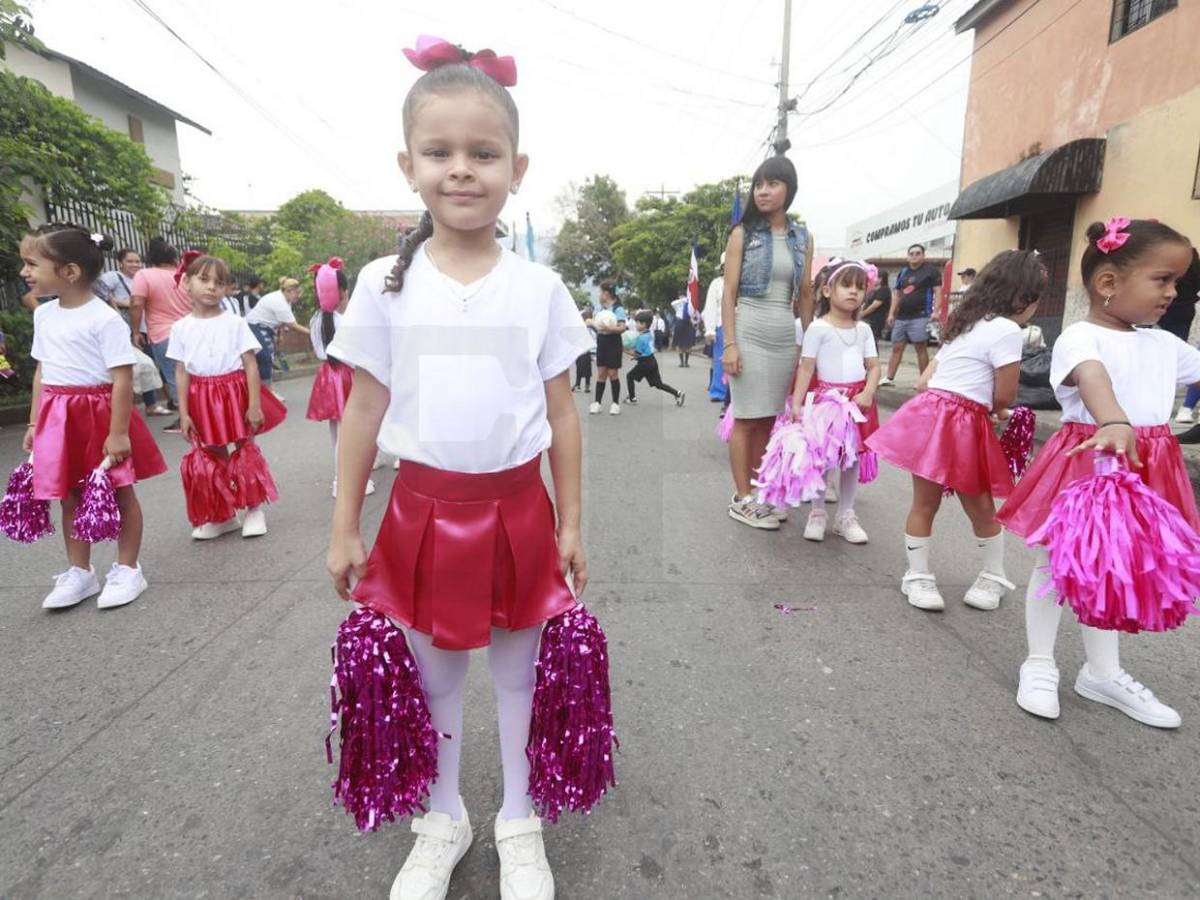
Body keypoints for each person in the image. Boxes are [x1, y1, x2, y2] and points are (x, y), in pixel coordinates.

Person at [324, 41, 592, 900]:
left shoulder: (541, 287)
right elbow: (363, 410)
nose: (462, 170)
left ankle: (520, 817)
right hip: (421, 510)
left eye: (484, 154)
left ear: (518, 167)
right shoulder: (381, 283)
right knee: (434, 675)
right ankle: (442, 814)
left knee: (519, 672)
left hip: (518, 511)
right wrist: (343, 527)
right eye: (439, 153)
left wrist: (571, 522)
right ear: (408, 166)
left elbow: (560, 415)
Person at [998, 219, 1197, 728]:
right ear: (1108, 283)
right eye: (1163, 279)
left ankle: (1102, 673)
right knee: (1059, 565)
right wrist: (1113, 420)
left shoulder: (1164, 345)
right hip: (1092, 457)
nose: (1173, 292)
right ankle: (1039, 662)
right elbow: (1093, 376)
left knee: (1113, 569)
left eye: (1178, 281)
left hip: (1146, 467)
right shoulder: (1079, 337)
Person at [867, 250, 1046, 612]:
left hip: (932, 415)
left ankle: (917, 576)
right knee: (980, 506)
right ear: (1023, 297)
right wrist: (998, 411)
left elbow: (922, 382)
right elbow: (1006, 394)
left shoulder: (964, 322)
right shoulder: (1009, 329)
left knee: (924, 503)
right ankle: (992, 575)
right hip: (965, 424)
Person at [18, 224, 167, 610]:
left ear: (69, 272)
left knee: (119, 490)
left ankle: (127, 567)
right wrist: (35, 423)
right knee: (69, 494)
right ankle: (80, 571)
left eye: (32, 264)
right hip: (57, 414)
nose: (24, 272)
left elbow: (121, 377)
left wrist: (118, 433)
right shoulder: (44, 315)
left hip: (99, 414)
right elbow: (41, 371)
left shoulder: (103, 318)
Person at [720, 155, 815, 530]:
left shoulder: (802, 237)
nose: (763, 190)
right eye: (759, 184)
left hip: (783, 335)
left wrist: (810, 345)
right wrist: (730, 344)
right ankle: (742, 498)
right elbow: (728, 294)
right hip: (749, 328)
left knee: (767, 419)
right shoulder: (743, 233)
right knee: (745, 418)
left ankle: (761, 492)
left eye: (772, 183)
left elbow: (805, 293)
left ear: (788, 190)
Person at [168, 253, 287, 540]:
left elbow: (250, 363)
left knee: (244, 448)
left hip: (235, 392)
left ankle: (254, 509)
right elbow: (181, 372)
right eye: (204, 279)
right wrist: (184, 414)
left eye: (219, 282)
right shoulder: (180, 327)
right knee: (211, 453)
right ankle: (222, 515)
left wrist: (255, 404)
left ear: (227, 289)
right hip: (201, 396)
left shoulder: (235, 323)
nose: (211, 287)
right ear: (187, 282)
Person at [789, 259, 881, 545]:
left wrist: (868, 391)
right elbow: (806, 367)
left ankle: (846, 514)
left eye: (860, 287)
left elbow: (874, 366)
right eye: (846, 285)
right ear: (828, 291)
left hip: (857, 403)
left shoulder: (864, 330)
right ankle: (817, 513)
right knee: (822, 458)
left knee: (850, 459)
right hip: (826, 402)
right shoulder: (817, 328)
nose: (854, 292)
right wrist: (797, 403)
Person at [305, 258, 375, 498]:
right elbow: (356, 355)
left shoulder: (316, 320)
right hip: (347, 376)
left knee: (337, 433)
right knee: (351, 434)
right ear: (343, 292)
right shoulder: (345, 320)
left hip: (327, 376)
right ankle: (347, 482)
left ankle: (343, 479)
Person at [130, 237, 194, 433]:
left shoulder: (144, 275)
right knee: (195, 375)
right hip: (191, 330)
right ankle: (201, 414)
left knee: (175, 377)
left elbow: (136, 303)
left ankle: (187, 419)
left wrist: (135, 331)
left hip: (163, 333)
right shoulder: (184, 276)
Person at [94, 247, 169, 415]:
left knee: (147, 366)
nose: (134, 264)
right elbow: (100, 295)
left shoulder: (141, 278)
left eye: (137, 261)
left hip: (144, 327)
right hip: (125, 329)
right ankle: (129, 407)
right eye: (130, 261)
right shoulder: (113, 277)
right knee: (129, 368)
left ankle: (151, 404)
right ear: (120, 263)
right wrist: (124, 303)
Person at [880, 244, 942, 386]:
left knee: (920, 347)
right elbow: (897, 294)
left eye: (918, 253)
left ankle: (923, 380)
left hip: (921, 316)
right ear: (907, 256)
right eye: (911, 253)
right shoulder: (903, 272)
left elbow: (938, 292)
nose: (914, 256)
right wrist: (891, 313)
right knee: (896, 347)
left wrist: (936, 311)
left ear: (923, 255)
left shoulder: (931, 271)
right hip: (901, 317)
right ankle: (889, 378)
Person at [245, 276, 308, 398]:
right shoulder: (279, 302)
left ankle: (266, 392)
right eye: (297, 293)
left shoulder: (283, 299)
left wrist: (279, 334)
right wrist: (313, 334)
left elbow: (281, 322)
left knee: (268, 360)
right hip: (254, 327)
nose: (298, 296)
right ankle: (267, 394)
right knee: (265, 358)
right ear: (289, 291)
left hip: (264, 329)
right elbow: (293, 325)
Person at [625, 310, 685, 406]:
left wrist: (624, 350)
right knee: (658, 384)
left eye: (637, 323)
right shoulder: (649, 334)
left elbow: (637, 354)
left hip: (644, 363)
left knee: (629, 376)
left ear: (644, 324)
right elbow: (646, 350)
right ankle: (678, 393)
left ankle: (632, 398)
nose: (635, 325)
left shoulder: (640, 338)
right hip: (652, 361)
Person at [587, 281, 626, 415]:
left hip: (613, 341)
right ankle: (597, 403)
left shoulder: (618, 309)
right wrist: (590, 323)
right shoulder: (599, 308)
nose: (599, 295)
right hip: (602, 341)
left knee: (612, 374)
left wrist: (610, 328)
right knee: (601, 373)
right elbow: (597, 325)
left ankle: (615, 404)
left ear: (607, 293)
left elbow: (622, 327)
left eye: (600, 292)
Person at [702, 255, 730, 403]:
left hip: (741, 325)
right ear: (722, 267)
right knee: (720, 361)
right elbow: (710, 307)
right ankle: (719, 391)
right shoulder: (716, 284)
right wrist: (710, 330)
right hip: (721, 325)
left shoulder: (743, 283)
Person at [860, 269, 890, 341]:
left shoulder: (884, 290)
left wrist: (863, 313)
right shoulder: (873, 289)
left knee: (872, 339)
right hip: (867, 318)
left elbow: (875, 305)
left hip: (877, 318)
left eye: (876, 277)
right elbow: (866, 302)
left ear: (881, 279)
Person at [671, 291, 698, 367]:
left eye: (683, 296)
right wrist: (683, 300)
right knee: (680, 344)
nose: (682, 297)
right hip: (679, 323)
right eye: (680, 296)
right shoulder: (677, 304)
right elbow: (672, 303)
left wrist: (688, 300)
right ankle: (681, 362)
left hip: (688, 323)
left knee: (688, 344)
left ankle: (686, 362)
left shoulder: (689, 304)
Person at [573, 303, 595, 392]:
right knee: (582, 369)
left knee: (584, 369)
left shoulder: (590, 329)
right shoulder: (583, 328)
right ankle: (580, 384)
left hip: (585, 352)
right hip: (582, 352)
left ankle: (584, 385)